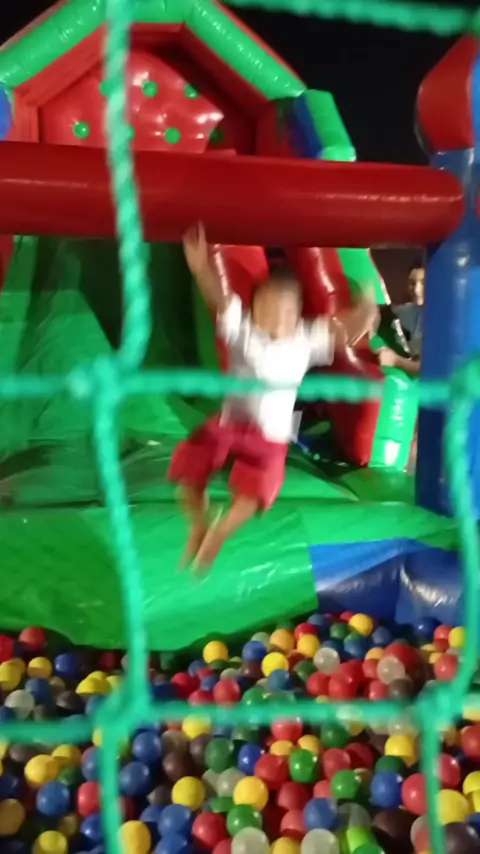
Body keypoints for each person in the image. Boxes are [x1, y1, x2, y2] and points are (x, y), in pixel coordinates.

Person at [168, 223, 379, 571]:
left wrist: (366, 310)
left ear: (298, 315)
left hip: (270, 438)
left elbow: (342, 332)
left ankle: (221, 531)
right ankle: (198, 522)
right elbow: (220, 301)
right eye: (265, 311)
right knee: (188, 472)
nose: (275, 322)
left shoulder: (305, 339)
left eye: (284, 314)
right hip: (230, 424)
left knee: (253, 493)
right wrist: (202, 268)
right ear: (253, 310)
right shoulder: (243, 329)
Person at [376, 261, 425, 376]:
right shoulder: (409, 310)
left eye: (424, 283)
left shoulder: (445, 320)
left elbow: (434, 371)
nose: (416, 290)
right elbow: (385, 310)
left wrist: (396, 360)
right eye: (412, 283)